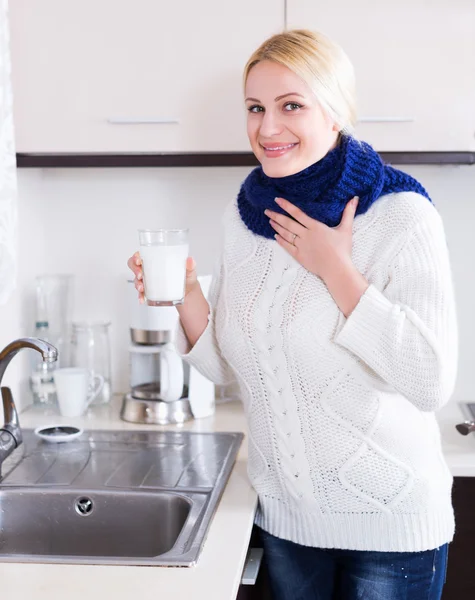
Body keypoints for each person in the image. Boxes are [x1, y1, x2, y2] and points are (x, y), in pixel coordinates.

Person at [128, 29, 457, 600]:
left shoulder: (402, 215)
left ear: (335, 113)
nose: (267, 128)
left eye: (291, 106)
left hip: (391, 528)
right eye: (255, 108)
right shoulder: (247, 216)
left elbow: (430, 381)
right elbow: (233, 373)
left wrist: (337, 270)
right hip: (287, 524)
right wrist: (186, 295)